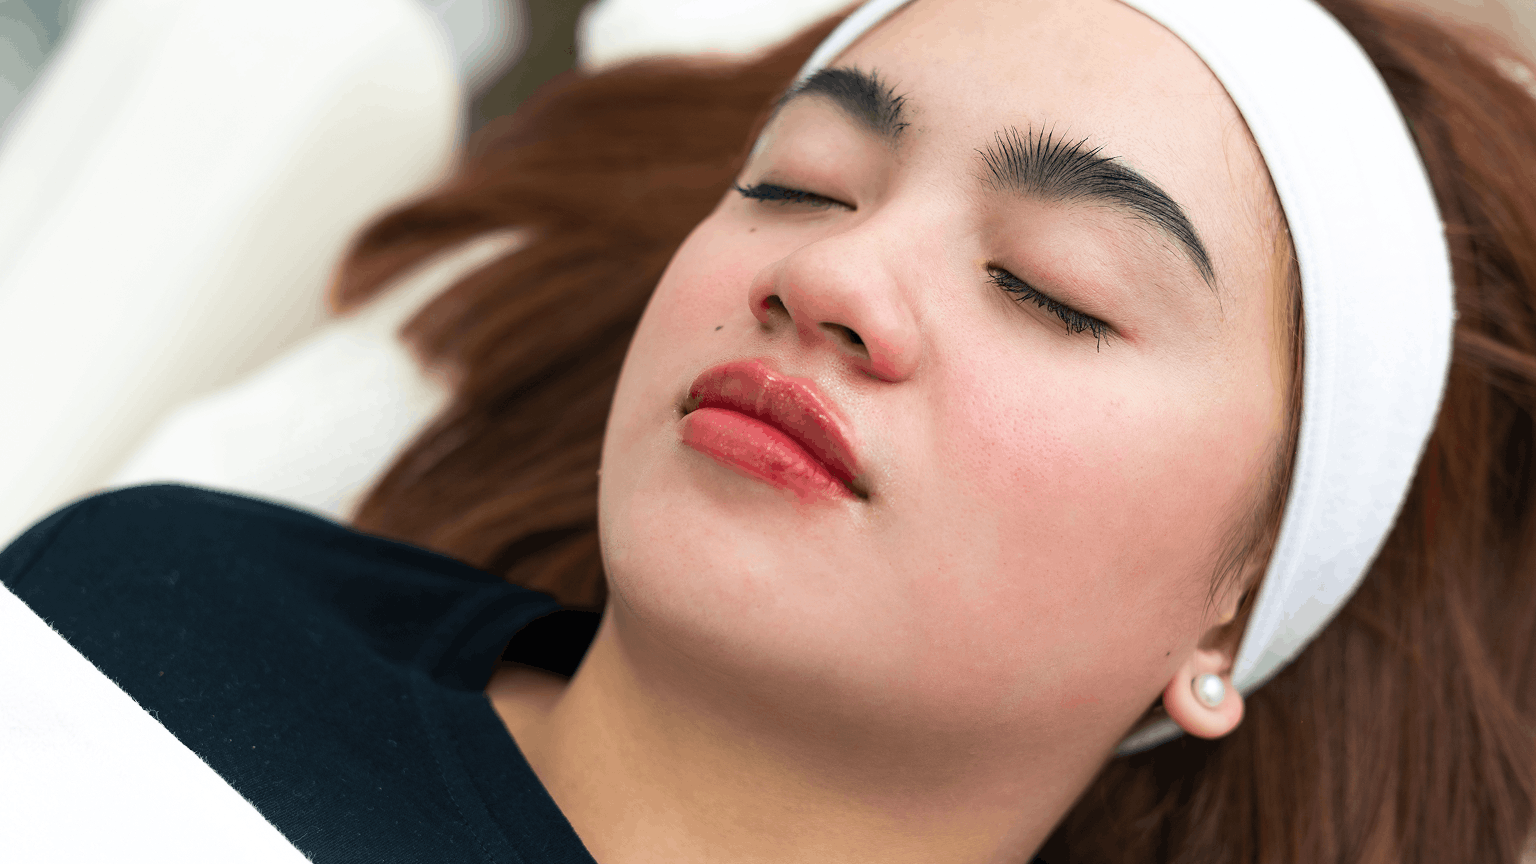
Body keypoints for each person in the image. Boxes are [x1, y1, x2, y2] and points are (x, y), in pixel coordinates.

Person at [4, 0, 1533, 862]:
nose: (831, 276)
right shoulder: (161, 607)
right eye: (800, 182)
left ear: (1240, 592)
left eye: (1051, 287)